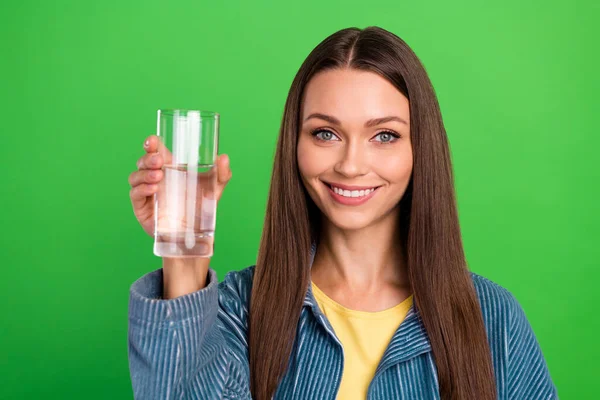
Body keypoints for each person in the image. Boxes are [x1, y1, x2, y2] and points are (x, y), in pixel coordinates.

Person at [127, 26, 558, 400]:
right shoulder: (241, 309)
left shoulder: (493, 320)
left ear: (420, 149)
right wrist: (184, 255)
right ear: (294, 144)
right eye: (326, 133)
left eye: (384, 135)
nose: (351, 165)